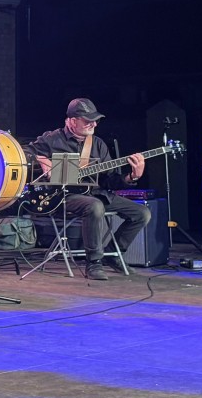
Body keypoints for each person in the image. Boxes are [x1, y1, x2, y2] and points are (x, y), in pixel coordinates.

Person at [28, 98, 151, 281]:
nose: (93, 124)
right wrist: (40, 160)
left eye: (95, 120)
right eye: (88, 121)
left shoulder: (98, 144)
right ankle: (94, 262)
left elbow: (110, 181)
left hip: (95, 194)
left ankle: (113, 253)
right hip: (62, 197)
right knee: (94, 206)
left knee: (142, 213)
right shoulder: (51, 139)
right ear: (72, 121)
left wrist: (132, 177)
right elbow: (24, 154)